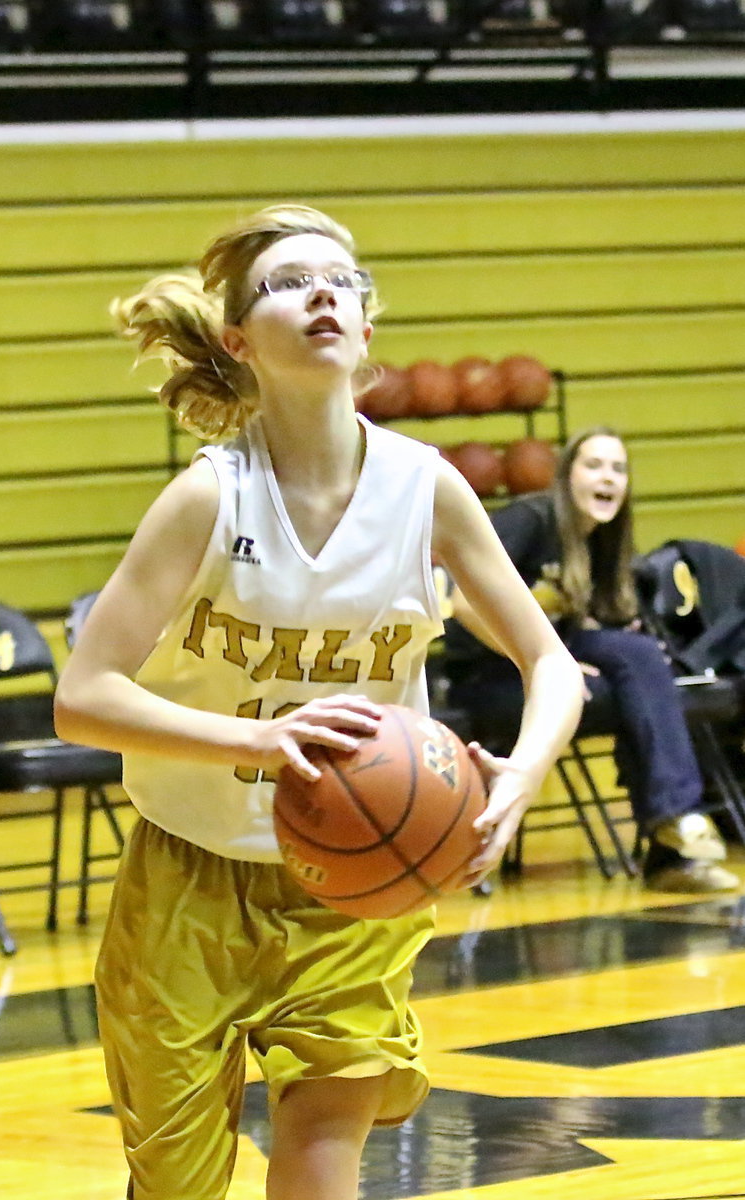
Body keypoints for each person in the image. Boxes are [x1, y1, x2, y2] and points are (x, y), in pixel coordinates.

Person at [54, 204, 584, 1200]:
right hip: (190, 867)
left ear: (367, 327)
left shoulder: (426, 492)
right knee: (173, 1180)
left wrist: (519, 777)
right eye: (288, 284)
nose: (322, 295)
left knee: (323, 1135)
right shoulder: (208, 498)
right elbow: (81, 698)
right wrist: (257, 737)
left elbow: (550, 663)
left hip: (358, 880)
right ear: (236, 340)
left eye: (341, 281)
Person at [445, 424, 741, 895]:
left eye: (619, 469)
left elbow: (587, 624)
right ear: (567, 476)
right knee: (635, 682)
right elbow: (463, 604)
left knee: (642, 660)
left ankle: (674, 834)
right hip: (487, 669)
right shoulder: (531, 519)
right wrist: (543, 663)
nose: (608, 478)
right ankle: (674, 839)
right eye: (594, 465)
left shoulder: (605, 540)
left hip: (553, 660)